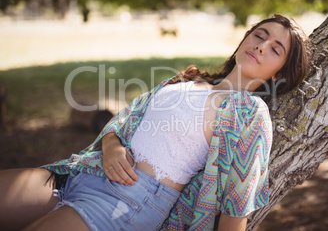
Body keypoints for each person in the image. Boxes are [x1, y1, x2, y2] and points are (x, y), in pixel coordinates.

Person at [0, 14, 310, 231]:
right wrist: (111, 147)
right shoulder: (190, 81)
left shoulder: (249, 112)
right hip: (85, 172)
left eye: (275, 49)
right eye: (259, 35)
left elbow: (237, 202)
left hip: (130, 200)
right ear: (245, 37)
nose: (261, 46)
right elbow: (125, 119)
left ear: (278, 74)